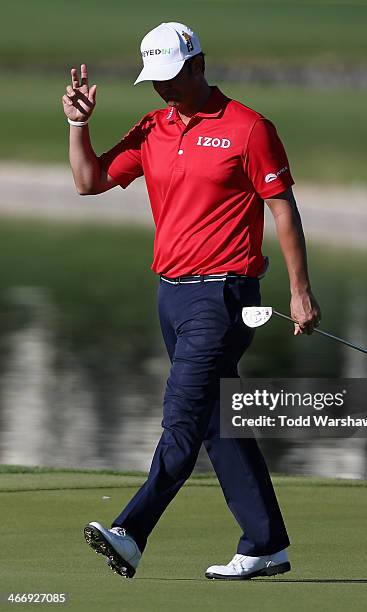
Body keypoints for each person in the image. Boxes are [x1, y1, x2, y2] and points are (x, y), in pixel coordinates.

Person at [62, 21, 321, 580]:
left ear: (199, 65)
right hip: (171, 299)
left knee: (181, 417)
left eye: (171, 78)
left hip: (223, 295)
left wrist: (300, 291)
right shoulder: (154, 127)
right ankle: (265, 543)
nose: (163, 89)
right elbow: (89, 181)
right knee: (217, 420)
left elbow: (283, 209)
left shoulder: (248, 128)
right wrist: (78, 125)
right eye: (154, 80)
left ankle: (131, 532)